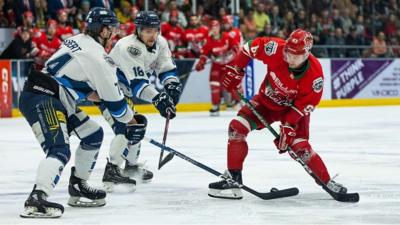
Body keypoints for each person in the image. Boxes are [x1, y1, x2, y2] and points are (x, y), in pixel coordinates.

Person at [18, 7, 139, 218]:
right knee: (59, 150)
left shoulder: (79, 40)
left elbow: (69, 77)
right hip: (44, 97)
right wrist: (132, 122)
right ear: (101, 30)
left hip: (55, 95)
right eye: (111, 28)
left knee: (93, 134)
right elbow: (118, 108)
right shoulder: (100, 58)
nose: (113, 33)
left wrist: (100, 95)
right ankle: (37, 198)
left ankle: (78, 185)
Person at [208, 29, 348, 199]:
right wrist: (237, 69)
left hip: (293, 111)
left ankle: (327, 182)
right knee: (236, 128)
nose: (289, 57)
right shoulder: (276, 48)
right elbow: (248, 48)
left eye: (295, 55)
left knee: (300, 148)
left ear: (306, 54)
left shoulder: (315, 75)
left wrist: (288, 126)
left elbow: (306, 104)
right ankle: (233, 179)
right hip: (265, 103)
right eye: (288, 51)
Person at [100, 11, 180, 191]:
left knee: (137, 125)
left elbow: (166, 69)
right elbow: (138, 85)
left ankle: (130, 166)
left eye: (155, 30)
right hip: (108, 89)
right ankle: (111, 171)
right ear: (138, 31)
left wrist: (172, 87)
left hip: (123, 92)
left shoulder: (160, 42)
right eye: (148, 31)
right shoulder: (128, 47)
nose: (152, 35)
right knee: (125, 125)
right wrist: (159, 98)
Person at [195, 20, 240, 116]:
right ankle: (215, 106)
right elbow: (204, 54)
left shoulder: (227, 36)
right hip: (217, 65)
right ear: (210, 29)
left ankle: (240, 102)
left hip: (229, 63)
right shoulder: (208, 41)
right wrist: (201, 63)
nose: (215, 29)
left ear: (219, 28)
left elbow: (236, 46)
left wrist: (236, 52)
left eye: (216, 27)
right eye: (213, 28)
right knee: (214, 83)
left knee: (233, 83)